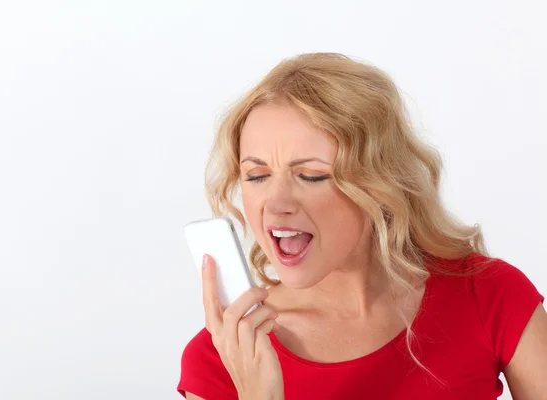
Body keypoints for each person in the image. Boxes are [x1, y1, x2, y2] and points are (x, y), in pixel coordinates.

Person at [176, 53, 546, 400]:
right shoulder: (224, 356)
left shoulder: (488, 295)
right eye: (256, 176)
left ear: (378, 182)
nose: (275, 204)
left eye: (310, 175)